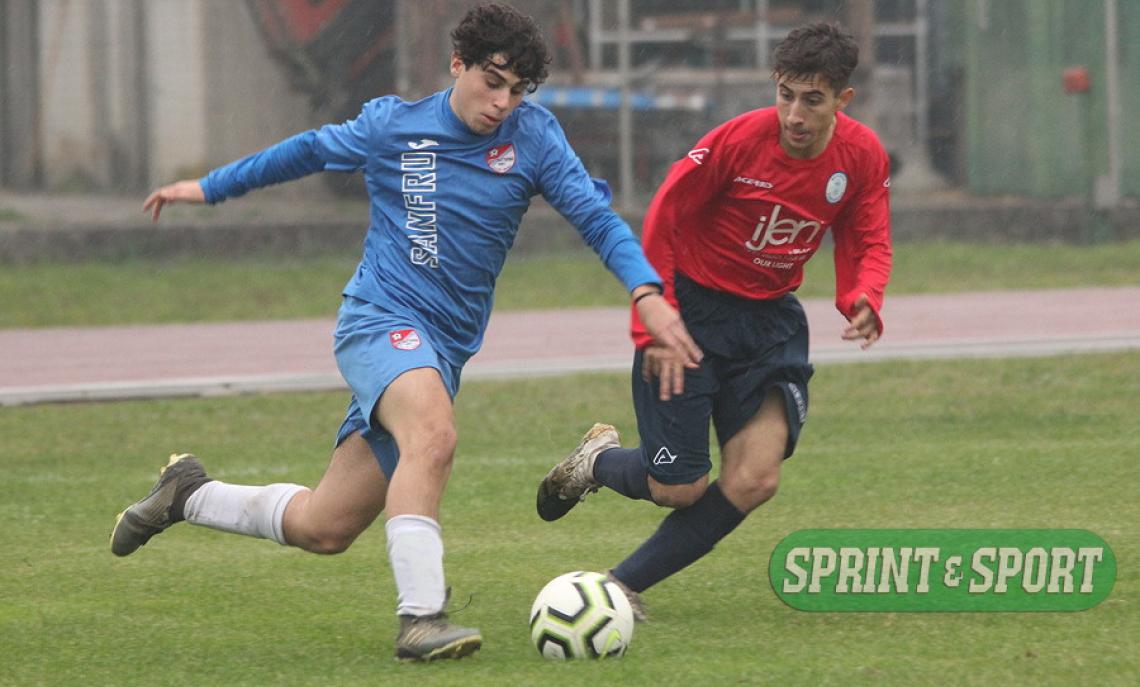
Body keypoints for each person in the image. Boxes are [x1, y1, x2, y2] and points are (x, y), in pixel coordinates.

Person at [110, 2, 700, 662]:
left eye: (515, 90)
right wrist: (208, 187)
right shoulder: (393, 125)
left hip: (439, 351)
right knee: (434, 433)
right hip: (378, 321)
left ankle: (188, 493)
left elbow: (598, 219)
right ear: (457, 65)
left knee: (325, 524)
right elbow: (306, 151)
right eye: (492, 81)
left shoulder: (534, 138)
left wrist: (646, 292)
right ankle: (421, 618)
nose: (502, 102)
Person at [535, 22, 892, 618]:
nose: (795, 114)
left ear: (842, 100)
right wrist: (656, 320)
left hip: (771, 326)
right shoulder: (735, 142)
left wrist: (864, 295)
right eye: (786, 94)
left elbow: (868, 233)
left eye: (813, 99)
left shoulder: (861, 155)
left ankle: (619, 587)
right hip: (691, 317)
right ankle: (597, 461)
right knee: (678, 488)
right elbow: (664, 221)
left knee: (756, 477)